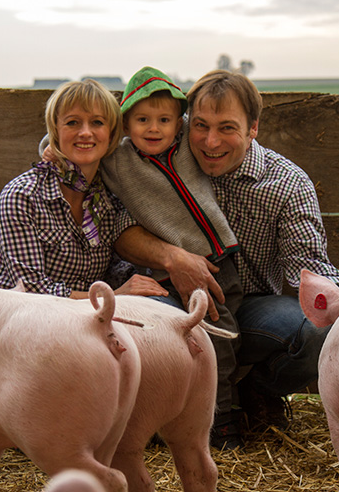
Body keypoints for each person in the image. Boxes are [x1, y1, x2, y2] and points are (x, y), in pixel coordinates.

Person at [183, 69, 339, 443]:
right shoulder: (170, 161)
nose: (210, 141)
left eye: (227, 128)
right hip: (175, 303)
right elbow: (99, 139)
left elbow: (307, 269)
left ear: (253, 128)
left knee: (319, 328)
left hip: (248, 308)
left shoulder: (286, 183)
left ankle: (259, 392)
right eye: (200, 125)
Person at [95, 66, 245, 448]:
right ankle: (206, 423)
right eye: (142, 119)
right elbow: (75, 137)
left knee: (224, 335)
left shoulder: (189, 150)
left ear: (178, 123)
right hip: (168, 272)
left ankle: (221, 413)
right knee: (201, 341)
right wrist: (46, 144)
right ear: (125, 124)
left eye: (164, 119)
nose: (154, 128)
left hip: (218, 262)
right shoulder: (118, 159)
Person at [0, 78, 224, 306]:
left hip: (86, 321)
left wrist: (152, 278)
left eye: (97, 123)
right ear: (55, 132)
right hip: (17, 323)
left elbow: (115, 264)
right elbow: (30, 290)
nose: (86, 133)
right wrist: (114, 295)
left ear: (112, 134)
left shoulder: (108, 197)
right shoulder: (21, 196)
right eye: (72, 123)